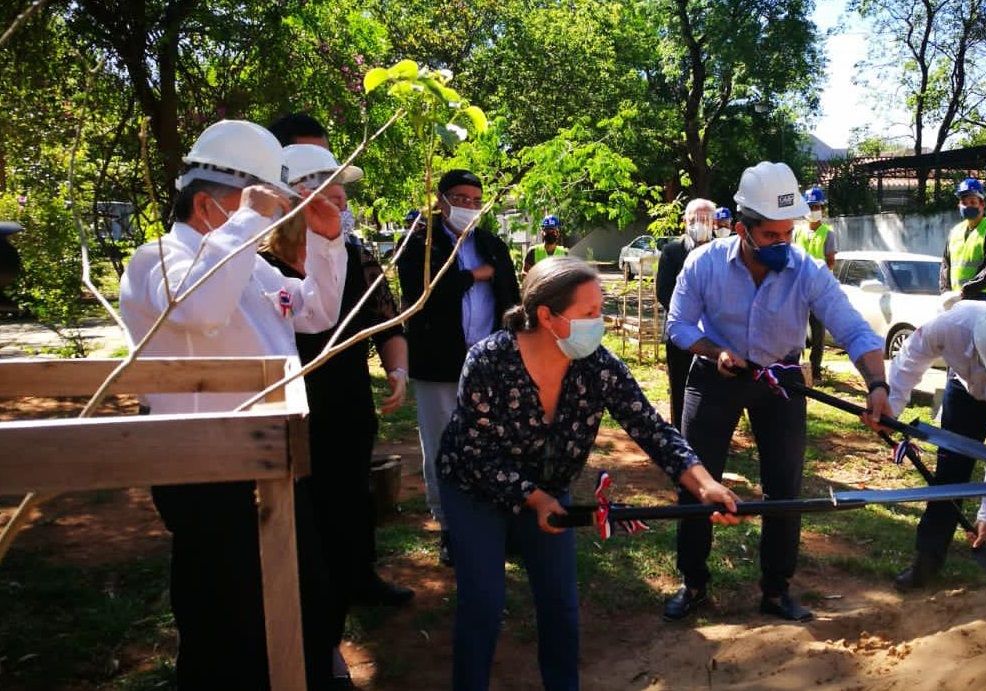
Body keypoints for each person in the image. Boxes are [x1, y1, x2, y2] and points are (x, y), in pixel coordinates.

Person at [436, 256, 740, 691]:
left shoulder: (597, 366)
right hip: (474, 489)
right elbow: (476, 454)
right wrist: (535, 500)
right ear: (547, 316)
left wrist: (705, 484)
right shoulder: (489, 361)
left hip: (548, 490)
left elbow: (651, 428)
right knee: (483, 602)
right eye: (590, 313)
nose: (600, 323)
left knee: (560, 605)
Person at [119, 120, 346, 690]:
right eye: (255, 204)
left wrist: (324, 241)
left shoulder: (248, 263)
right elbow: (198, 308)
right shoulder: (157, 259)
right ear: (206, 203)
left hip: (271, 460)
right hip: (202, 469)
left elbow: (314, 312)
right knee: (223, 618)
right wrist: (248, 221)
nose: (270, 220)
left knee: (304, 600)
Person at [665, 161, 890, 623]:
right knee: (696, 481)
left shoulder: (805, 269)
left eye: (787, 233)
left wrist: (878, 385)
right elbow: (678, 326)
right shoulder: (703, 264)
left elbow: (852, 329)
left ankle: (776, 589)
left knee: (785, 488)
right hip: (715, 377)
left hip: (781, 381)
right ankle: (694, 583)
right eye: (771, 236)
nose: (782, 244)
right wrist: (716, 353)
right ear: (743, 229)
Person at [259, 143, 413, 687]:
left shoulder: (356, 253)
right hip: (285, 412)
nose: (343, 207)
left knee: (347, 511)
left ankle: (345, 602)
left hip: (346, 404)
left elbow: (387, 318)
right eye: (332, 196)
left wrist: (397, 371)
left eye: (344, 197)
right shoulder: (256, 263)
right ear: (296, 200)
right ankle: (310, 642)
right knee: (301, 531)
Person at [396, 169, 520, 565]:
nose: (468, 206)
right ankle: (450, 525)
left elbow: (511, 297)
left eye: (474, 199)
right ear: (441, 199)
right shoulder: (419, 242)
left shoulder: (491, 244)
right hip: (439, 362)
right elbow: (421, 293)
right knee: (441, 443)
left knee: (493, 440)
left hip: (489, 361)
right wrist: (471, 276)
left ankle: (493, 518)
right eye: (460, 198)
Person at [887, 299, 986, 590]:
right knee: (950, 472)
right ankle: (927, 564)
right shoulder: (951, 326)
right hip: (965, 389)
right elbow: (910, 358)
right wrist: (890, 407)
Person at [656, 198, 716, 425]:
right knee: (680, 386)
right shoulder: (672, 252)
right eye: (694, 219)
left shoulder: (722, 251)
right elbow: (664, 292)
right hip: (681, 335)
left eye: (705, 219)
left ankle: (712, 434)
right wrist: (689, 318)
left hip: (715, 335)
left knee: (714, 390)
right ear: (685, 222)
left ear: (713, 222)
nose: (699, 224)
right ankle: (681, 436)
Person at [939, 178, 986, 303]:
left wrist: (965, 291)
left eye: (972, 202)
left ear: (982, 204)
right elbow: (945, 265)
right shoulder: (954, 232)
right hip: (956, 299)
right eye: (964, 203)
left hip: (983, 298)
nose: (968, 206)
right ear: (959, 205)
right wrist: (946, 292)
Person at [795, 186, 838, 381]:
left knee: (818, 331)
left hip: (818, 289)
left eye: (816, 206)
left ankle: (816, 369)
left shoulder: (827, 233)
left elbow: (830, 261)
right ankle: (795, 365)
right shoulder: (797, 232)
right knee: (796, 328)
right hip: (798, 288)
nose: (813, 210)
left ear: (822, 208)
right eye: (810, 206)